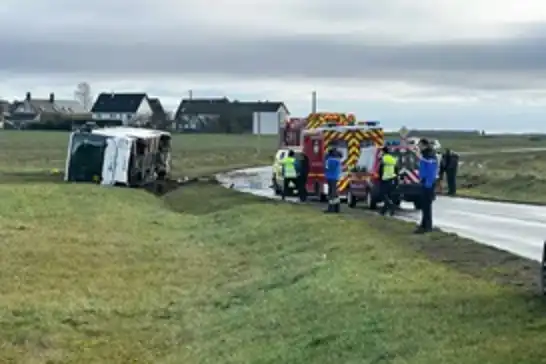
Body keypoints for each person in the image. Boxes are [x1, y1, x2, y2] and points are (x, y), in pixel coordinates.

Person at [415, 138, 439, 234]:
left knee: (427, 206)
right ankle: (423, 225)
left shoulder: (430, 155)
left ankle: (427, 227)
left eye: (420, 145)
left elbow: (431, 170)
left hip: (428, 183)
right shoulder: (426, 154)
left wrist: (428, 184)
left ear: (424, 145)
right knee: (424, 206)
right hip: (425, 182)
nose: (418, 147)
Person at [378, 146, 398, 216]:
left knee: (383, 194)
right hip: (392, 178)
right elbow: (396, 169)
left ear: (383, 152)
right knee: (388, 196)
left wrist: (380, 156)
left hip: (385, 178)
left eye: (381, 151)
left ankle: (391, 206)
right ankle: (383, 211)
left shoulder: (383, 158)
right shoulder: (392, 159)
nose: (380, 152)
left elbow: (380, 168)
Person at [324, 147, 342, 213]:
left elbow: (326, 168)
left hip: (330, 178)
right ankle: (337, 208)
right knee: (335, 193)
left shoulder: (328, 160)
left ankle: (331, 209)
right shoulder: (338, 160)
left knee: (331, 194)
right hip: (336, 178)